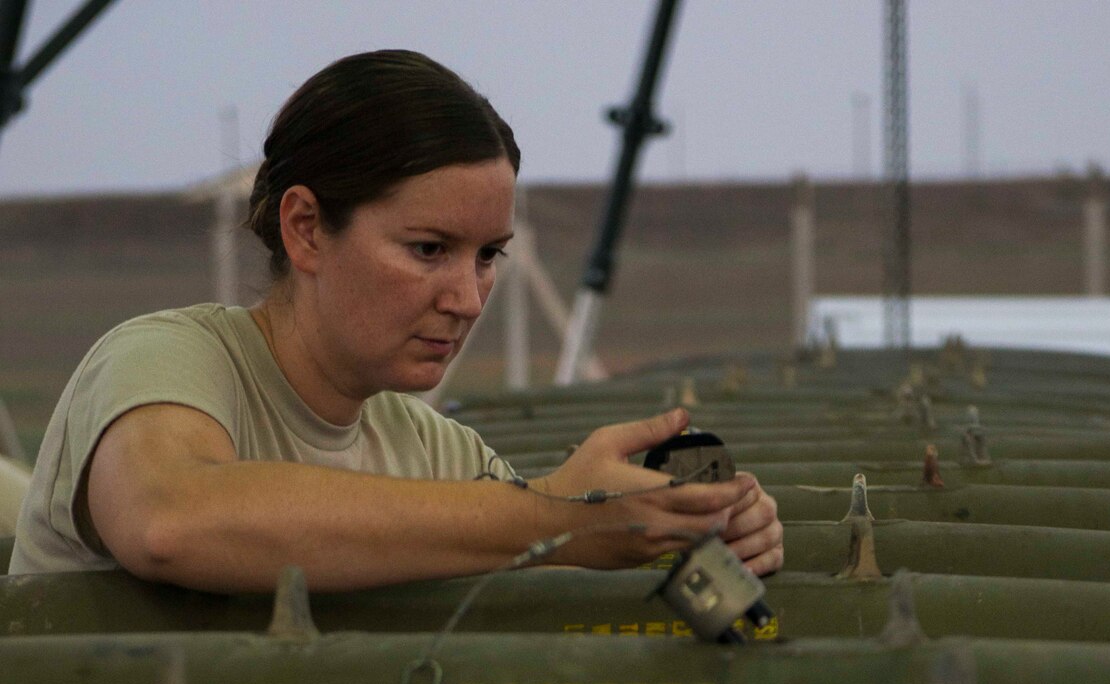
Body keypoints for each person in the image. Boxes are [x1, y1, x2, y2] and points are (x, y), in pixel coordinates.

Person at [8, 48, 782, 587]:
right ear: (306, 228)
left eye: (486, 255)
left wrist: (706, 530)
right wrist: (553, 515)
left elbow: (552, 540)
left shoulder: (433, 452)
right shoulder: (163, 362)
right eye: (427, 248)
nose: (468, 299)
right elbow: (169, 523)